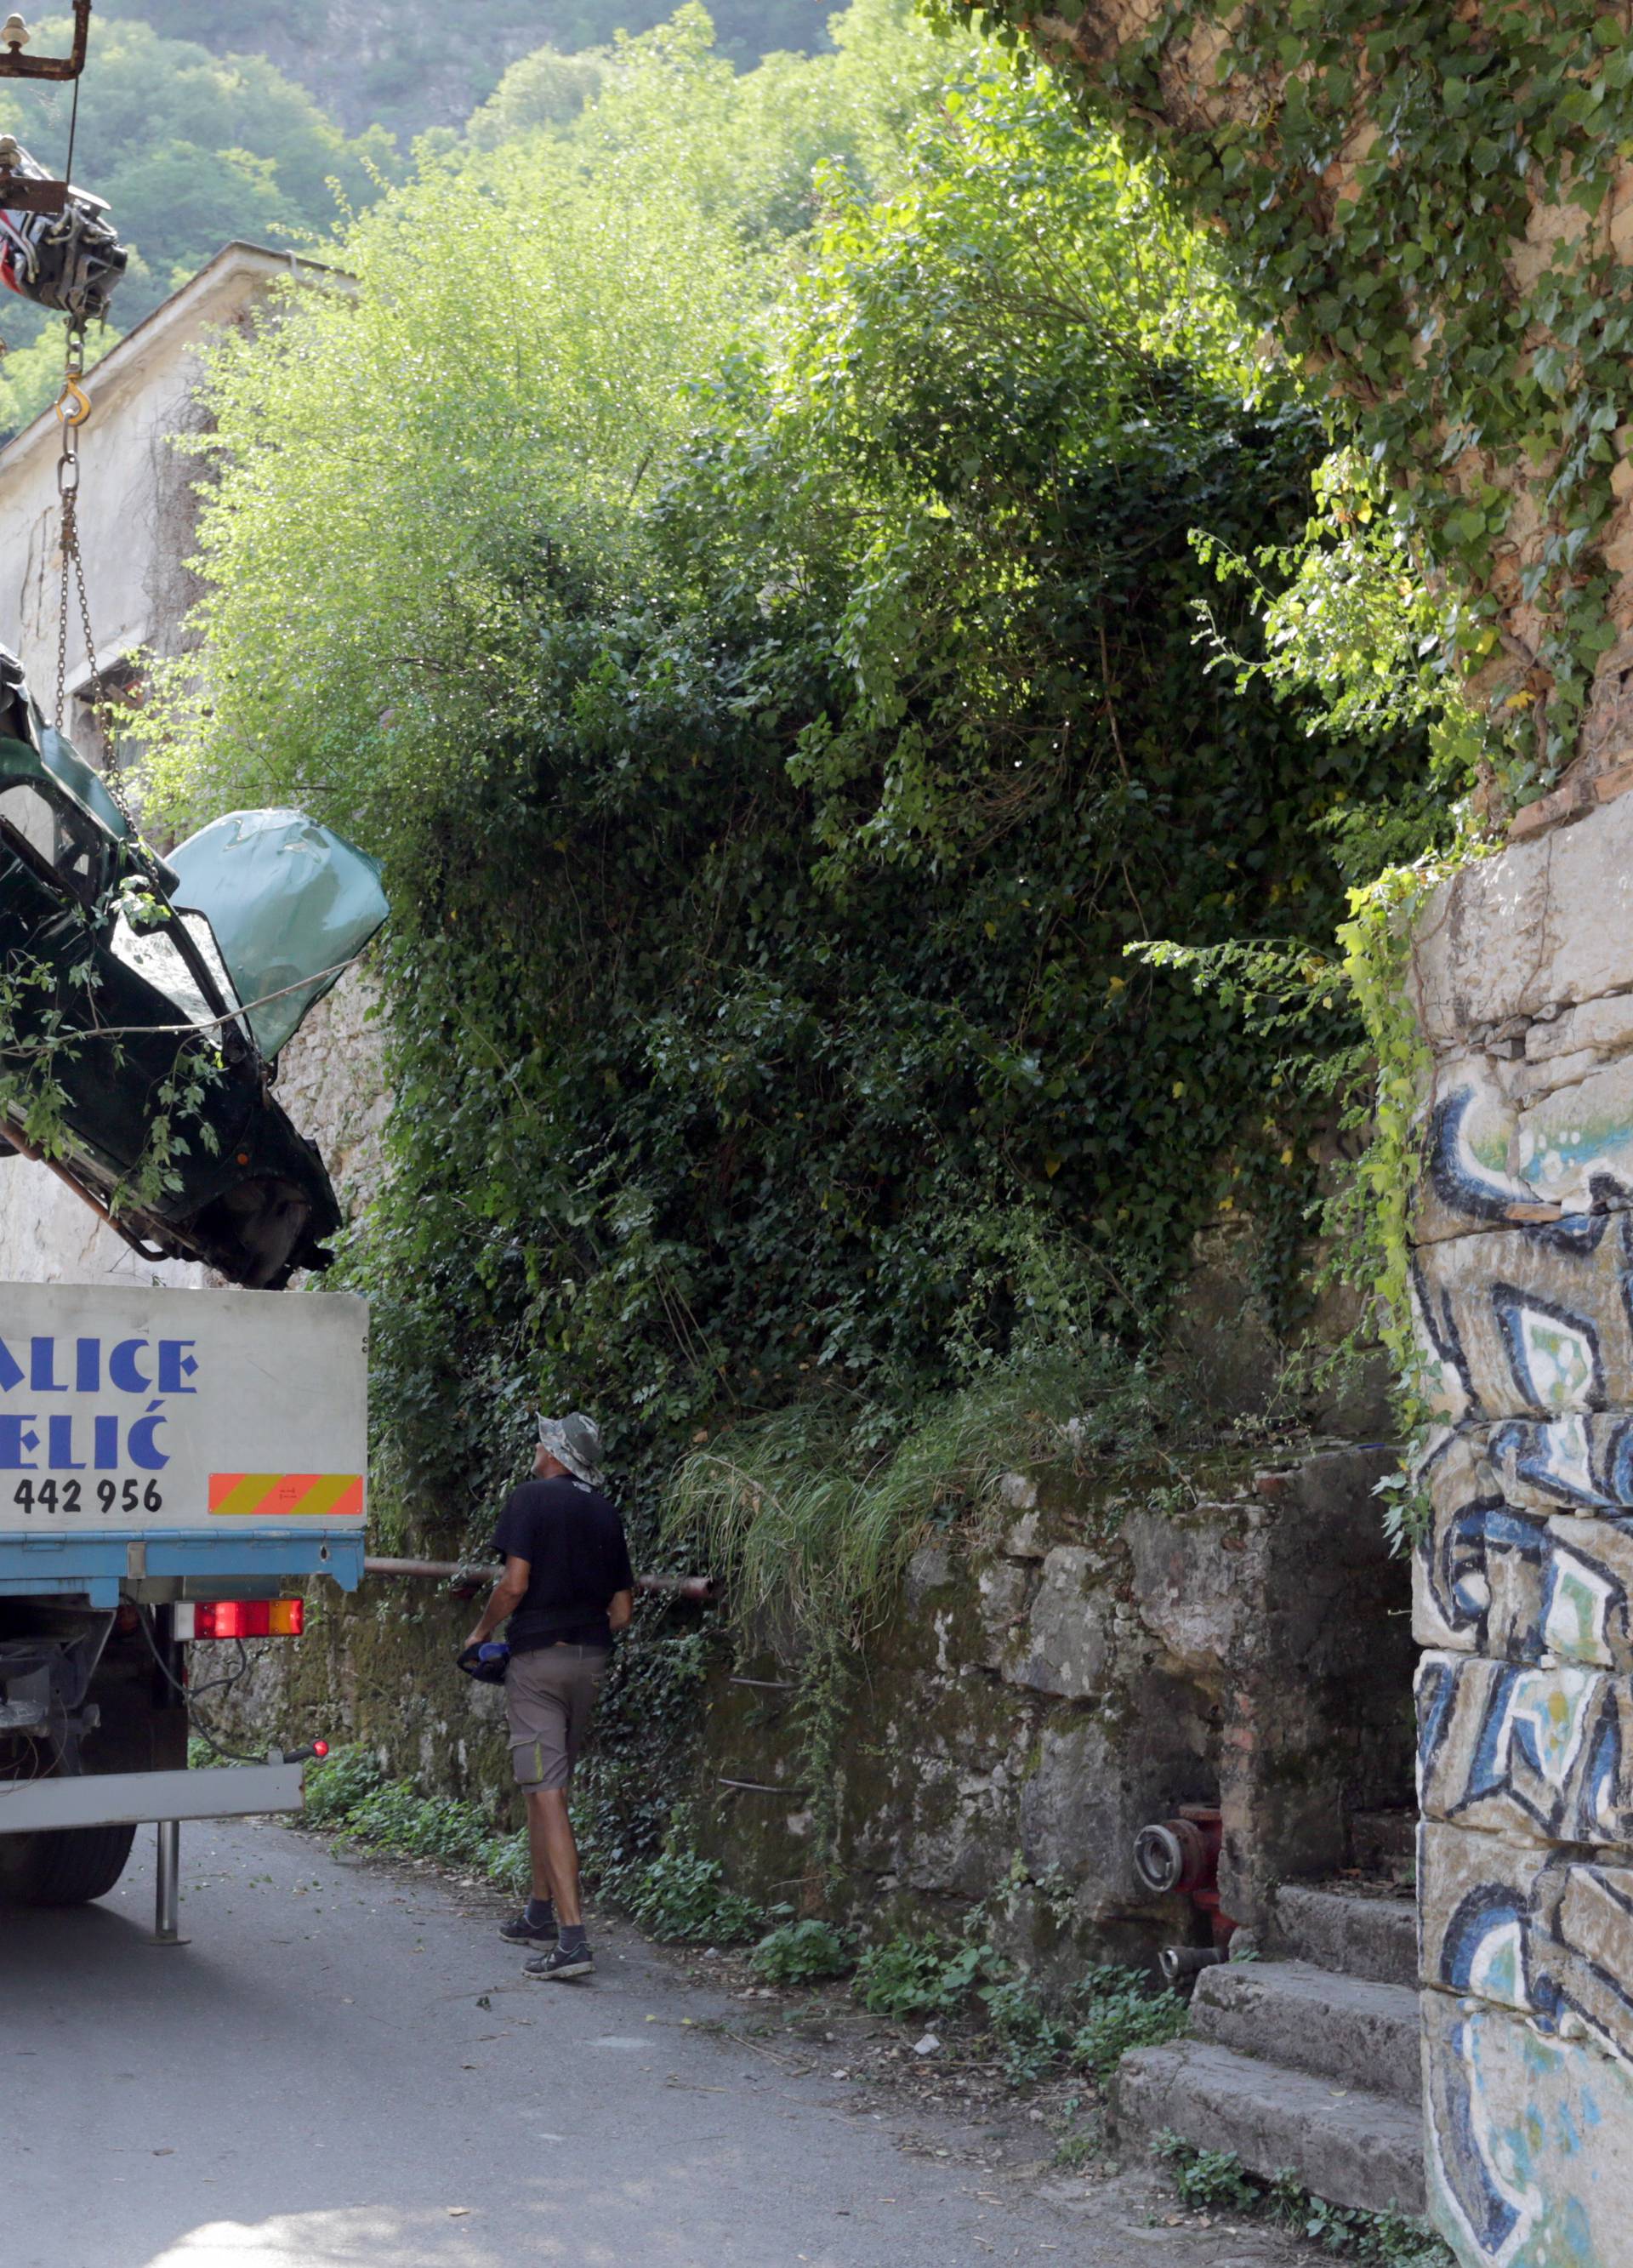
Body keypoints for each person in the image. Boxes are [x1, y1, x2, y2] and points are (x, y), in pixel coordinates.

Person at [463, 1411, 633, 1982]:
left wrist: (482, 1633)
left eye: (543, 1440)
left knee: (548, 1793)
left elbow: (513, 1585)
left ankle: (573, 1940)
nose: (536, 1446)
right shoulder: (606, 1512)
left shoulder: (531, 1499)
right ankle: (538, 1912)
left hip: (537, 1662)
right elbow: (622, 1612)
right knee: (546, 1788)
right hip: (590, 1661)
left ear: (556, 1453)